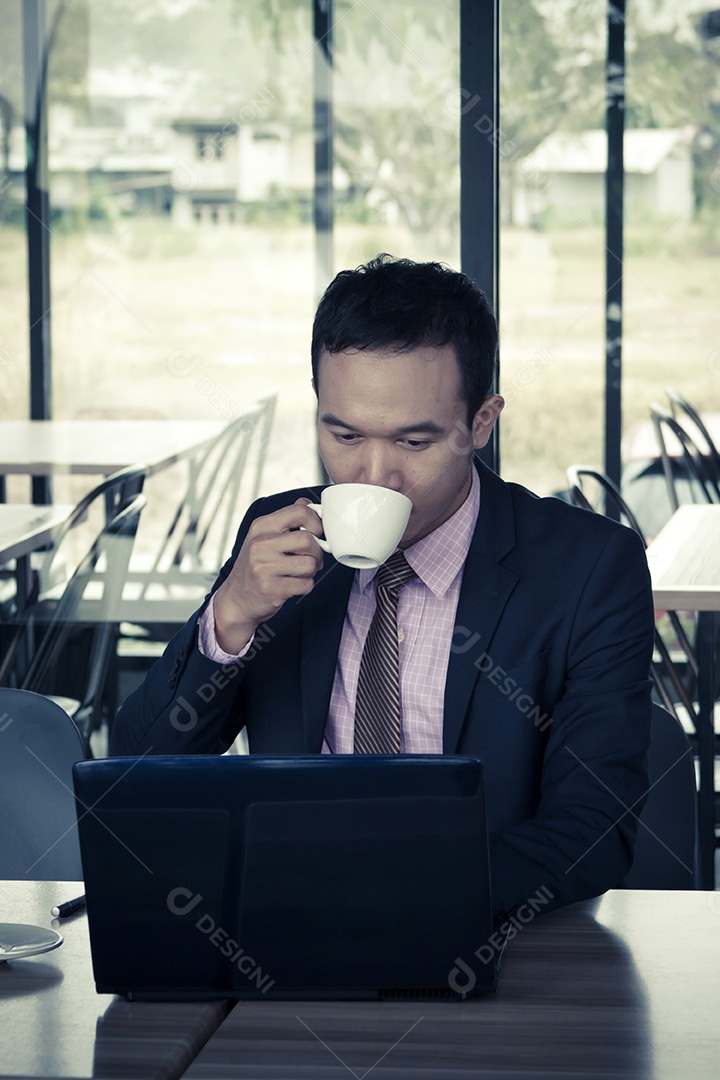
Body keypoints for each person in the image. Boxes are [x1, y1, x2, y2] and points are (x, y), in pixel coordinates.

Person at [110, 254, 654, 917]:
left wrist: (390, 888)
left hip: (492, 936)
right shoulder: (278, 535)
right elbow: (136, 774)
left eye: (414, 443)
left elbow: (593, 831)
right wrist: (230, 618)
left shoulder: (588, 568)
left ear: (481, 423)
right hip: (286, 938)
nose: (372, 475)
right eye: (344, 435)